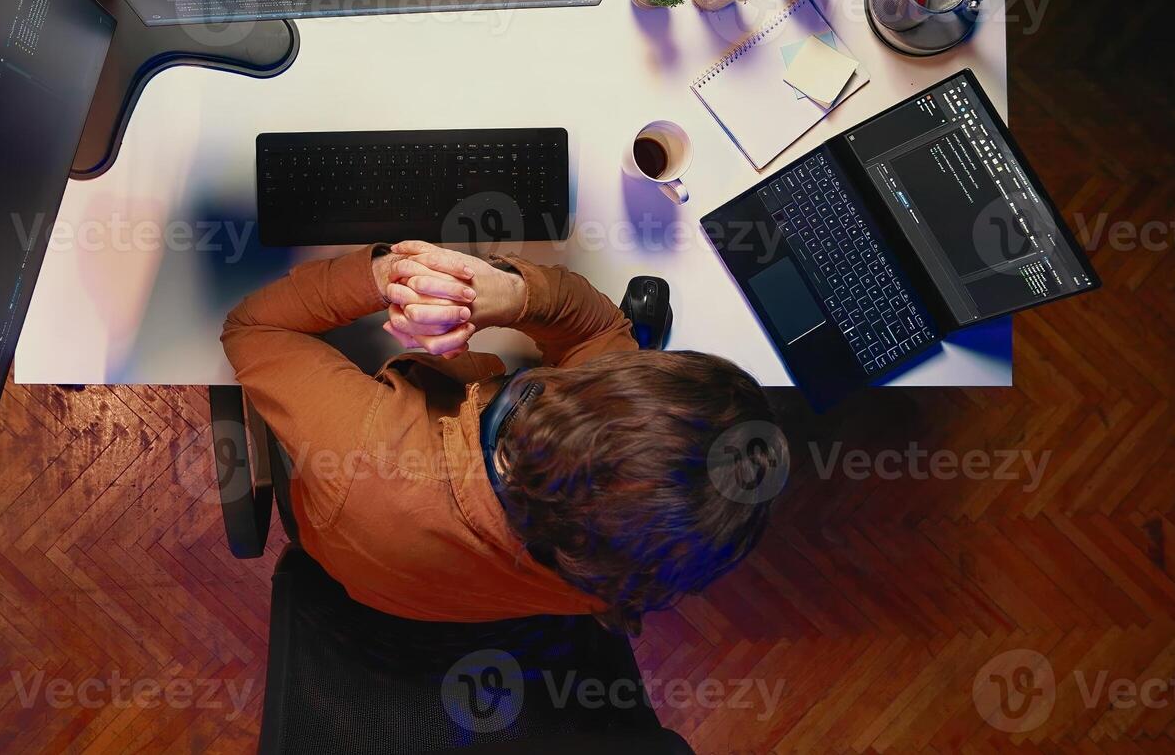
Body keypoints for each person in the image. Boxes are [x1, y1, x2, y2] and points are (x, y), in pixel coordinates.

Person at [220, 240, 782, 633]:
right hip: (446, 594)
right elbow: (603, 331)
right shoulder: (629, 562)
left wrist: (388, 274)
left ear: (544, 399)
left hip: (356, 538)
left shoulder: (364, 453)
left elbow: (250, 326)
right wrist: (511, 296)